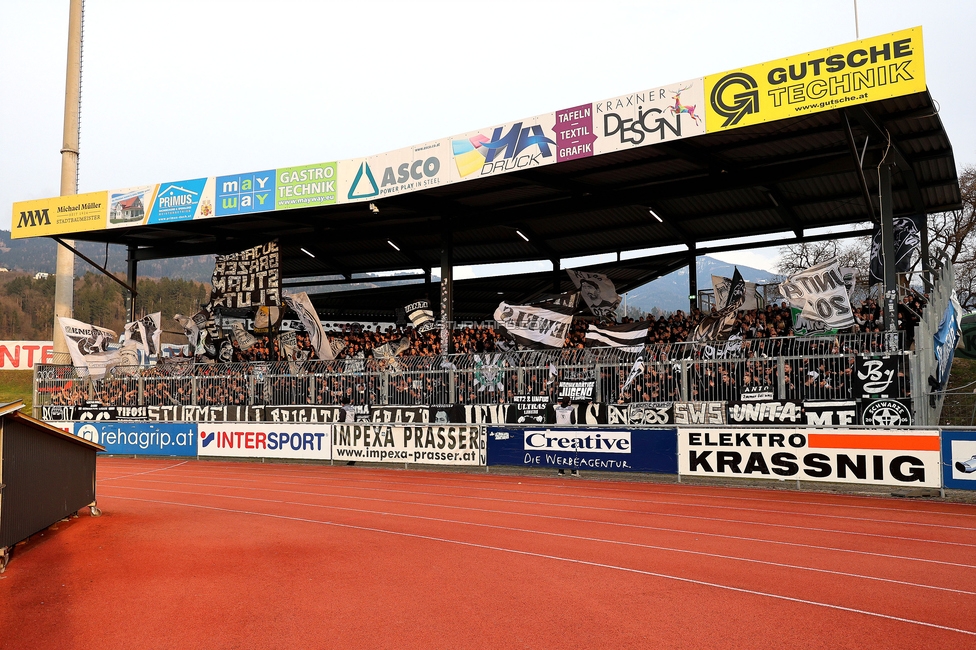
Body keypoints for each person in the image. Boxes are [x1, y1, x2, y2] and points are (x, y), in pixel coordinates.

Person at [553, 396, 580, 476]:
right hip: (569, 431)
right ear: (569, 402)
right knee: (571, 451)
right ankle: (573, 470)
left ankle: (560, 470)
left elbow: (553, 419)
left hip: (559, 431)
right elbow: (573, 421)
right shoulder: (571, 409)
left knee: (561, 451)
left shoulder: (557, 409)